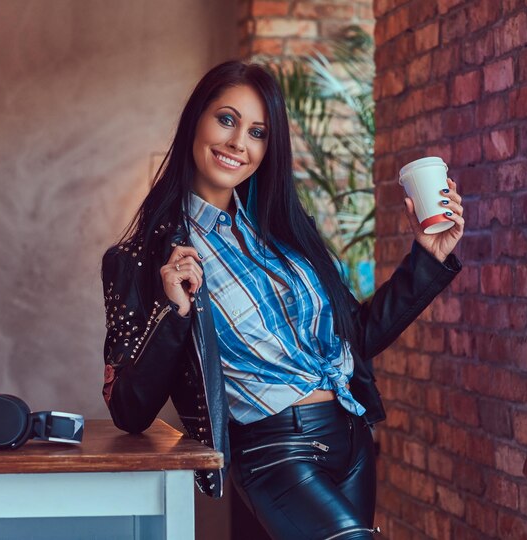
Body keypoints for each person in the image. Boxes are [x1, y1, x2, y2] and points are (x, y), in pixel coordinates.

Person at [101, 60, 464, 539]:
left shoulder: (286, 234)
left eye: (257, 132)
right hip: (274, 451)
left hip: (351, 438)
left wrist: (427, 256)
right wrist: (175, 310)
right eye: (226, 120)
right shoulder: (143, 259)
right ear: (196, 120)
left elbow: (358, 337)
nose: (239, 143)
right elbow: (129, 410)